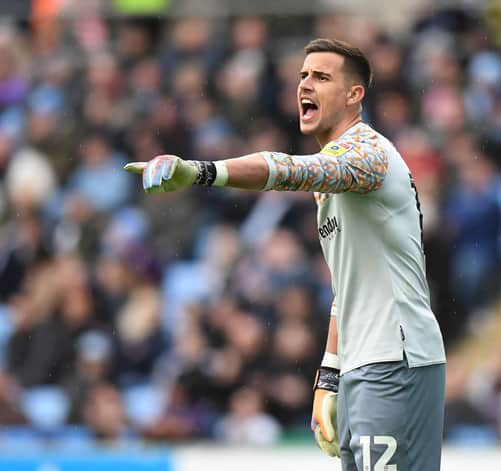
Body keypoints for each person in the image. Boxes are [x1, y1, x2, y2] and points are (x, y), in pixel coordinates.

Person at [125, 38, 446, 471]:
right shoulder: (333, 178)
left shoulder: (369, 153)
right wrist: (330, 378)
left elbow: (290, 169)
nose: (305, 85)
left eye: (322, 77)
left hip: (394, 360)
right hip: (361, 366)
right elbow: (346, 288)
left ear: (355, 95)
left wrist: (202, 170)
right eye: (303, 76)